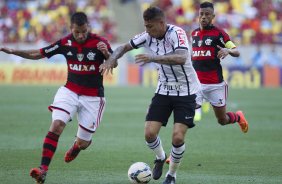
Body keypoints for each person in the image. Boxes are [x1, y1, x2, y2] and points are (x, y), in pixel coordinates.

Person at [0, 12, 112, 183]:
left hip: (93, 97)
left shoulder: (99, 42)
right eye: (77, 32)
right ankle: (42, 169)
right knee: (57, 124)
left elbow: (114, 62)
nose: (81, 35)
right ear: (71, 29)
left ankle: (76, 146)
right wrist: (14, 51)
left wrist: (107, 56)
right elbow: (38, 53)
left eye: (83, 31)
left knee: (83, 143)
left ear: (88, 27)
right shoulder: (65, 42)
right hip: (69, 91)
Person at [100, 6, 200, 184]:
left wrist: (153, 58)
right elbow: (123, 47)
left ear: (161, 23)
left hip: (186, 90)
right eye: (145, 26)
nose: (147, 30)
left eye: (150, 27)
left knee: (177, 136)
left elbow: (182, 57)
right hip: (163, 89)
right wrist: (112, 58)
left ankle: (171, 175)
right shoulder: (147, 36)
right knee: (149, 134)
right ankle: (160, 157)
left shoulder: (177, 33)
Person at [191, 2, 249, 132]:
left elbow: (236, 51)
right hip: (197, 84)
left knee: (222, 120)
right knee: (187, 109)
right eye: (201, 14)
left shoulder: (219, 34)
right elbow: (194, 56)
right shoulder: (194, 34)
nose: (204, 17)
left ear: (213, 16)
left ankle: (238, 117)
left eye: (207, 14)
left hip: (215, 85)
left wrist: (228, 51)